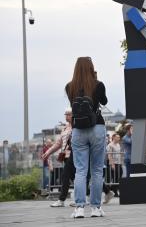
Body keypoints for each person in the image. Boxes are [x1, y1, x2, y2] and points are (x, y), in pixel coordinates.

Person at [66, 56, 107, 218]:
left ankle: (79, 208)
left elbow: (73, 106)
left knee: (80, 170)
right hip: (97, 126)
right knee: (97, 170)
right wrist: (96, 81)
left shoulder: (70, 86)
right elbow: (104, 101)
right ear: (91, 68)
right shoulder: (98, 84)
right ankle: (96, 208)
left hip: (78, 130)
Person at [42, 109, 74, 207]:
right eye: (66, 114)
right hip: (66, 156)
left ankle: (62, 200)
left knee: (65, 176)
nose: (66, 116)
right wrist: (47, 152)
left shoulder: (76, 127)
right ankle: (80, 198)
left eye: (68, 114)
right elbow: (58, 143)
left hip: (74, 155)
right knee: (74, 177)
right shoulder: (65, 128)